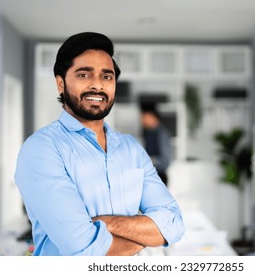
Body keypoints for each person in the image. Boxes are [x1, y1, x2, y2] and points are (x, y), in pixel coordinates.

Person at [14, 32, 185, 256]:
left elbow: (174, 223)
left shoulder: (130, 149)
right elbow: (84, 250)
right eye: (84, 74)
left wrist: (107, 223)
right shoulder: (42, 149)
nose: (97, 85)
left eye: (107, 77)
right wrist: (147, 237)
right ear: (60, 83)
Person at [140, 103, 172, 186]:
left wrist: (148, 159)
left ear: (152, 116)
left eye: (144, 117)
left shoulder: (162, 134)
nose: (142, 121)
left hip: (159, 176)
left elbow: (165, 161)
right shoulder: (148, 133)